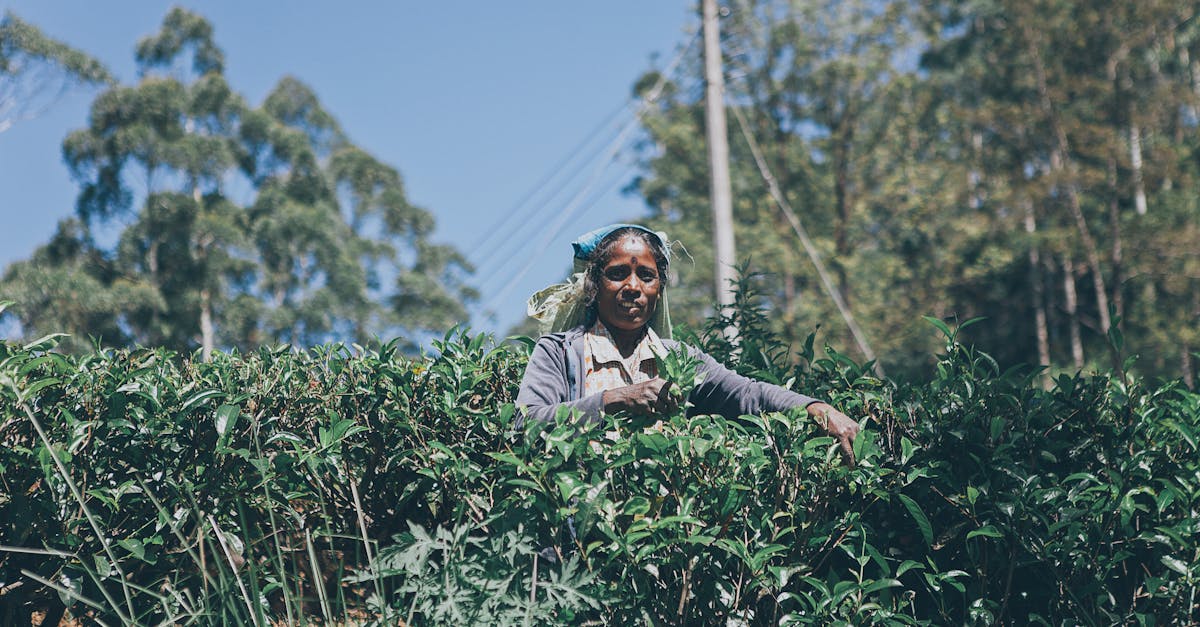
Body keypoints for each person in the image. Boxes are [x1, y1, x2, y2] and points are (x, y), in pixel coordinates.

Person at [516, 224, 859, 464]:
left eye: (646, 276)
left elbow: (747, 395)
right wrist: (615, 400)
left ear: (659, 289)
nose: (632, 286)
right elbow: (525, 425)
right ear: (594, 285)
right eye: (618, 273)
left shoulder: (679, 359)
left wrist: (816, 408)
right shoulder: (560, 352)